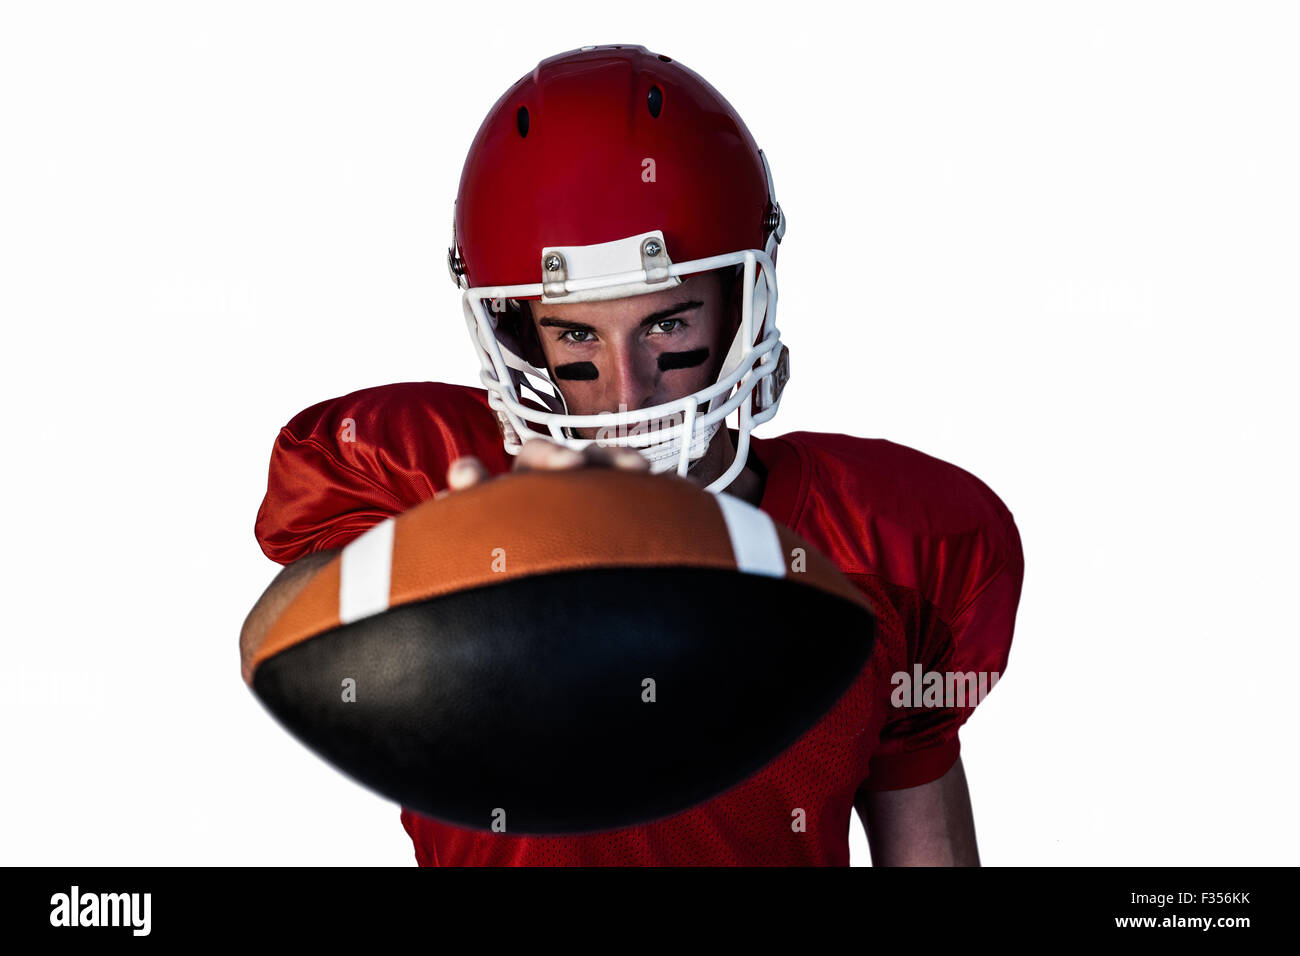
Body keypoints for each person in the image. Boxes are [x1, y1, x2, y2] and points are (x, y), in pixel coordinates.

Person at [243, 44, 1024, 866]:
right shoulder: (429, 479)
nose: (627, 395)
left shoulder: (888, 547)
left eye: (667, 324)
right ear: (519, 337)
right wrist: (469, 544)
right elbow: (273, 643)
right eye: (577, 334)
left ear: (738, 305)